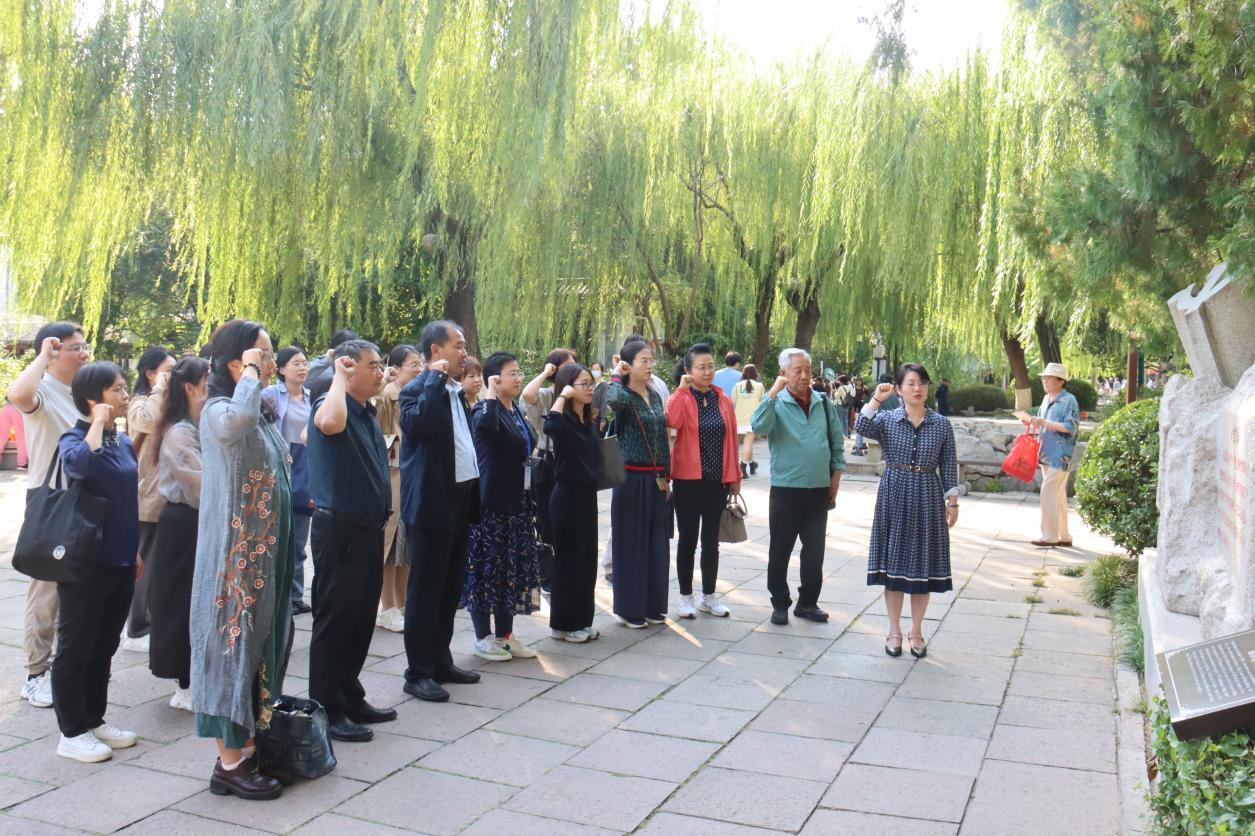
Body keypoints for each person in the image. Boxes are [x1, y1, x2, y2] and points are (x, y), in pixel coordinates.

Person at [189, 319, 292, 801]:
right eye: (262, 355)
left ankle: (247, 749)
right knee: (230, 649)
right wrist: (251, 374)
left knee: (259, 649)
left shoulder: (258, 411)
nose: (271, 363)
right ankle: (229, 763)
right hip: (234, 563)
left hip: (262, 559)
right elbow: (237, 423)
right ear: (236, 363)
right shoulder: (219, 411)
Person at [51, 361, 141, 762]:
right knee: (76, 646)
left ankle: (94, 718)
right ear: (93, 398)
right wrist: (97, 423)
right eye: (116, 389)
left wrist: (135, 550)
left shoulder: (122, 442)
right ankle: (71, 732)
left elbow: (127, 499)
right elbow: (78, 466)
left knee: (105, 643)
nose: (125, 395)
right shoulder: (74, 439)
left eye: (124, 388)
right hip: (86, 561)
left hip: (121, 559)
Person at [307, 339, 396, 743]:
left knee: (360, 619)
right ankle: (327, 708)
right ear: (348, 367)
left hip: (367, 529)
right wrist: (338, 380)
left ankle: (350, 696)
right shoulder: (331, 404)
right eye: (371, 365)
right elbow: (328, 424)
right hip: (339, 529)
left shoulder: (364, 411)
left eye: (380, 365)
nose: (380, 372)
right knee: (337, 620)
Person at [398, 321, 483, 703]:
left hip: (459, 499)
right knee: (426, 590)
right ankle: (418, 672)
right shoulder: (416, 389)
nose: (464, 352)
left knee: (450, 587)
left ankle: (440, 660)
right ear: (436, 350)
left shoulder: (453, 391)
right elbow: (417, 426)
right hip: (431, 503)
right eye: (458, 346)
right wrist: (433, 378)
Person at [8, 321, 91, 709]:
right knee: (46, 591)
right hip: (51, 500)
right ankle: (35, 674)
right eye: (75, 347)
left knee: (78, 590)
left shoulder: (82, 394)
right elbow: (17, 394)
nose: (84, 353)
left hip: (85, 500)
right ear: (54, 352)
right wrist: (42, 356)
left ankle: (65, 668)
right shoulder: (43, 390)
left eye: (85, 346)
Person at [857, 364, 960, 659]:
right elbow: (861, 427)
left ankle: (916, 630)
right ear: (899, 389)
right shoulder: (888, 419)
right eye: (911, 383)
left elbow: (948, 464)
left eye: (923, 383)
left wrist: (952, 502)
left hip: (927, 494)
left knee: (921, 566)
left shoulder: (941, 424)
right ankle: (894, 631)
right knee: (893, 564)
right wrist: (876, 399)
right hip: (894, 493)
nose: (918, 388)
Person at [751, 348, 845, 626]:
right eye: (797, 371)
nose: (804, 376)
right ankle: (780, 603)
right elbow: (758, 426)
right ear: (783, 373)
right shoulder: (776, 402)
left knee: (815, 550)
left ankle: (808, 603)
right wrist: (772, 393)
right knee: (780, 549)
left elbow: (836, 440)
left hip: (818, 487)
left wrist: (836, 474)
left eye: (808, 370)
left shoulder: (822, 402)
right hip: (786, 488)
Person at [461, 352, 542, 661]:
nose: (518, 378)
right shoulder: (484, 410)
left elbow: (528, 442)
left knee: (512, 570)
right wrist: (492, 395)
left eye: (519, 372)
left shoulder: (514, 411)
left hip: (518, 504)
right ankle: (483, 637)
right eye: (512, 373)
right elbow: (486, 427)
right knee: (487, 570)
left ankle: (505, 635)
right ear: (494, 378)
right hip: (491, 505)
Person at [149, 357, 209, 712]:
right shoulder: (180, 432)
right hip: (184, 523)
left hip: (195, 521)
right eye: (206, 383)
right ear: (190, 388)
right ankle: (184, 682)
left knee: (196, 600)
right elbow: (200, 484)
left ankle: (195, 676)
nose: (211, 389)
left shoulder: (196, 425)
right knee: (181, 602)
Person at [666, 343, 741, 619]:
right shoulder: (683, 397)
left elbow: (731, 439)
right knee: (688, 540)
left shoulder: (722, 399)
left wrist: (735, 477)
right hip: (687, 480)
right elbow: (671, 420)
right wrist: (680, 390)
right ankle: (686, 597)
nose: (708, 371)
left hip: (716, 481)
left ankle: (709, 596)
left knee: (711, 541)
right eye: (701, 367)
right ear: (688, 370)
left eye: (711, 366)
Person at [607, 339, 671, 628]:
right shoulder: (622, 395)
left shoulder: (654, 395)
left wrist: (667, 474)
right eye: (643, 360)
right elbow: (609, 402)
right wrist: (616, 375)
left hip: (656, 478)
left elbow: (662, 438)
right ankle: (629, 609)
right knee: (631, 544)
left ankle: (653, 606)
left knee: (657, 544)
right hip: (630, 479)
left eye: (651, 360)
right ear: (628, 364)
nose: (649, 365)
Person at [122, 345, 176, 654]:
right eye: (168, 370)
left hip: (167, 493)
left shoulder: (171, 401)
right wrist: (160, 388)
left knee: (161, 564)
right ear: (150, 373)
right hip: (146, 494)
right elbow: (147, 421)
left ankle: (151, 621)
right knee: (144, 563)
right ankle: (136, 626)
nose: (173, 376)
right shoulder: (141, 401)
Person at [544, 363, 602, 642]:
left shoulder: (587, 420)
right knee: (569, 561)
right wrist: (563, 396)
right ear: (569, 386)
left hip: (587, 496)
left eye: (591, 383)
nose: (590, 389)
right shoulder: (563, 420)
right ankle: (563, 625)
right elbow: (550, 426)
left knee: (587, 561)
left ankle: (581, 621)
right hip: (567, 496)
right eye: (583, 384)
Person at [375, 345, 424, 633]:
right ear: (395, 367)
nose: (418, 369)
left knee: (407, 548)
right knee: (389, 547)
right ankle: (388, 607)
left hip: (413, 480)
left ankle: (403, 604)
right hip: (392, 480)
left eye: (420, 364)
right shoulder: (386, 395)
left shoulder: (420, 396)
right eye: (413, 364)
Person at [262, 347, 315, 615]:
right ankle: (280, 595)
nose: (302, 367)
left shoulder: (312, 397)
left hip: (306, 465)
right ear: (281, 369)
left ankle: (295, 595)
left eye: (304, 363)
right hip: (281, 464)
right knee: (279, 535)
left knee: (299, 539)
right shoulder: (271, 395)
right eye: (296, 363)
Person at [1031, 363, 1079, 548]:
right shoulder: (1046, 399)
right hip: (1046, 452)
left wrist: (1044, 422)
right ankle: (1064, 536)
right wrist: (1034, 422)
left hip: (1061, 455)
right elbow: (1043, 422)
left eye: (1049, 378)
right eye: (1044, 378)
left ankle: (1049, 536)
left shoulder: (1069, 400)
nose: (1045, 381)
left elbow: (1070, 427)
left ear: (1060, 381)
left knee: (1048, 493)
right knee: (1057, 496)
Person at [732, 364, 764, 479]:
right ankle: (743, 465)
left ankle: (752, 463)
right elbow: (762, 402)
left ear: (744, 373)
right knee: (748, 443)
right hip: (753, 418)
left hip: (739, 418)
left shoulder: (737, 385)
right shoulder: (759, 386)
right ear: (755, 373)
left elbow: (733, 401)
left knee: (747, 443)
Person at [305, 328, 359, 397]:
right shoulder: (324, 365)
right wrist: (326, 360)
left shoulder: (357, 365)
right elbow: (304, 382)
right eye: (353, 346)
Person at [850, 377, 869, 455]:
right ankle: (859, 443)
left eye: (859, 381)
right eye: (857, 381)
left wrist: (867, 390)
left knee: (860, 420)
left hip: (861, 405)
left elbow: (868, 395)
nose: (858, 382)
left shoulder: (863, 388)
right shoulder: (853, 387)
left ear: (861, 381)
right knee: (855, 419)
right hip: (854, 405)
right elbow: (851, 395)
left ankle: (861, 444)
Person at [589, 361, 609, 432]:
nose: (595, 371)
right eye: (593, 369)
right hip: (589, 417)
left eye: (597, 369)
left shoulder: (604, 385)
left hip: (598, 419)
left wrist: (603, 419)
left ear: (602, 372)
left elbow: (604, 402)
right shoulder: (590, 384)